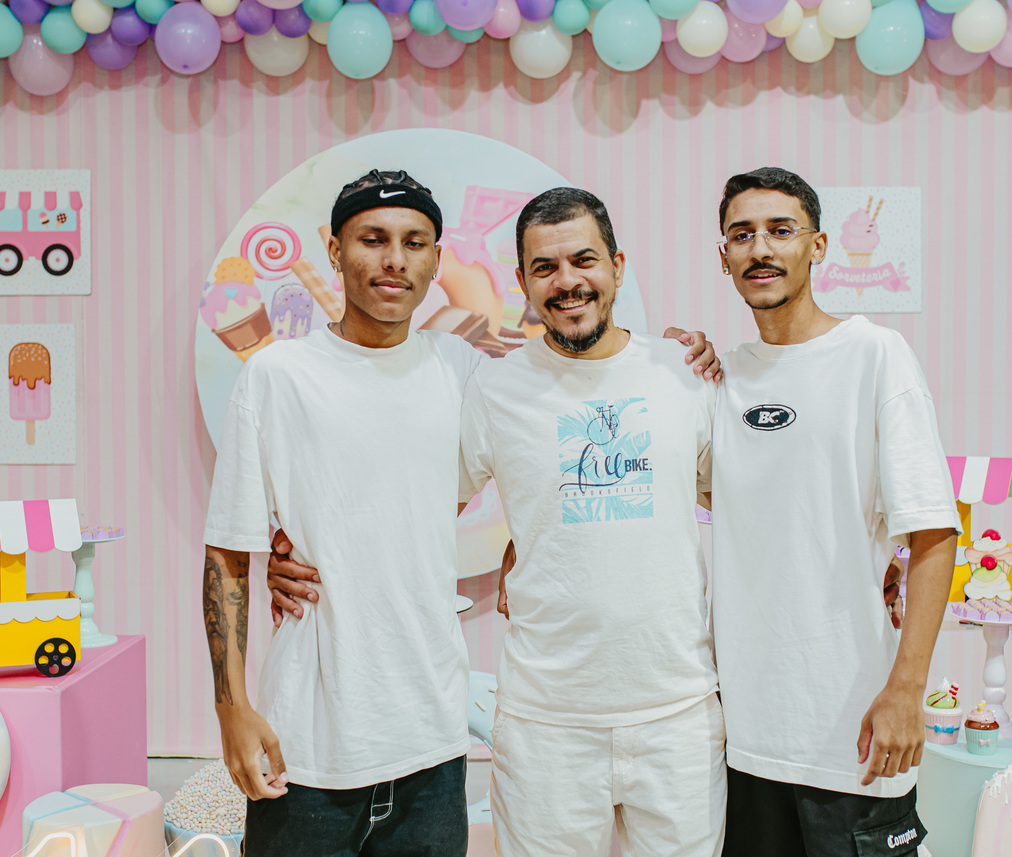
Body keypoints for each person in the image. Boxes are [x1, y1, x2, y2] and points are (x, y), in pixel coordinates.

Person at [204, 169, 720, 857]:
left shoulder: (469, 369)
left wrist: (533, 542)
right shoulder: (290, 376)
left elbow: (552, 465)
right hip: (333, 738)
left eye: (414, 242)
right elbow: (248, 545)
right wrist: (234, 700)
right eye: (373, 239)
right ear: (334, 251)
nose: (394, 260)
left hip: (449, 739)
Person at [456, 187, 726, 856]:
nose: (567, 281)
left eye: (584, 260)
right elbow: (420, 508)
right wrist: (298, 544)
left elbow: (752, 503)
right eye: (544, 267)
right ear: (523, 282)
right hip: (545, 723)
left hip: (678, 715)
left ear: (617, 266)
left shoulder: (683, 373)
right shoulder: (494, 389)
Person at [710, 167, 960, 856]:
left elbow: (934, 532)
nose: (760, 248)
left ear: (817, 245)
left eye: (780, 230)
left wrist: (906, 689)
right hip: (744, 741)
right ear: (724, 256)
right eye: (741, 234)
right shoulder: (720, 377)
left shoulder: (875, 355)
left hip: (855, 733)